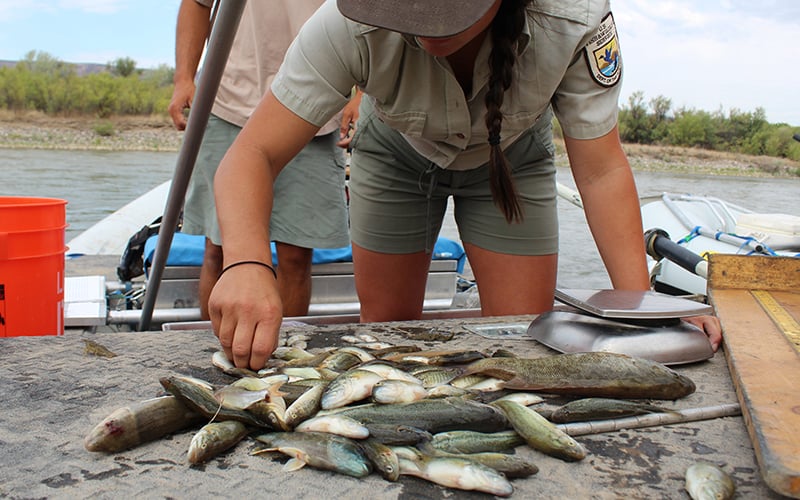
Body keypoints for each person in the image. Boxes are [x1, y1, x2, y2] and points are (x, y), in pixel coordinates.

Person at [208, 0, 722, 370]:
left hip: (512, 157)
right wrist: (249, 263)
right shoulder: (347, 21)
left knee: (524, 338)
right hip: (395, 154)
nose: (427, 21)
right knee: (388, 336)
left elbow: (602, 169)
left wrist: (644, 308)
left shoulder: (575, 17)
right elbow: (251, 154)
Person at [168, 0, 360, 319]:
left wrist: (365, 93)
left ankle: (287, 359)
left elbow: (372, 14)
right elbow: (197, 4)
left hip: (315, 104)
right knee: (218, 249)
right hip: (229, 100)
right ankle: (216, 356)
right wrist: (183, 78)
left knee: (296, 255)